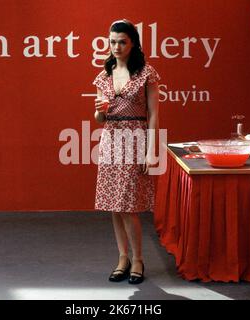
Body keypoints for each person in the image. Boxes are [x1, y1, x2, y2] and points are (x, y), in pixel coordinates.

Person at [92, 19, 160, 285]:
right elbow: (99, 118)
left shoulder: (147, 73)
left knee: (128, 205)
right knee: (113, 204)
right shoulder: (103, 75)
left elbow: (154, 115)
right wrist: (101, 109)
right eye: (112, 42)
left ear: (133, 43)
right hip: (110, 139)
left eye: (122, 41)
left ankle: (139, 259)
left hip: (135, 139)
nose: (116, 47)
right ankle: (122, 258)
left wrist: (150, 151)